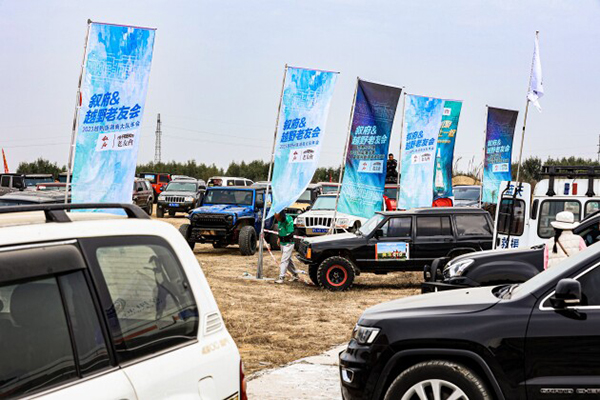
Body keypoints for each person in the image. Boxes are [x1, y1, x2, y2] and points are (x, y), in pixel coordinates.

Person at [274, 210, 300, 284]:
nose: (277, 220)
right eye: (276, 218)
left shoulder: (289, 220)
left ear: (281, 216)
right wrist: (279, 238)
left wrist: (282, 238)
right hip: (282, 243)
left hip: (289, 243)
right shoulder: (279, 221)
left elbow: (290, 233)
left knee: (284, 260)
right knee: (288, 260)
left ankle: (281, 277)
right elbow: (280, 230)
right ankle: (295, 274)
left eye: (278, 218)